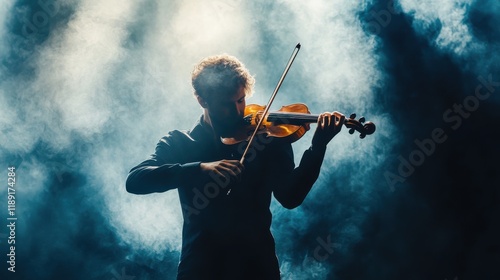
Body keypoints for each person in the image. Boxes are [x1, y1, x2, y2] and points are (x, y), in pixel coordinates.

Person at [126, 54, 345, 280]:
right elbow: (136, 180)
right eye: (226, 105)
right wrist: (200, 169)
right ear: (202, 100)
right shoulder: (180, 142)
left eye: (241, 100)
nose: (238, 111)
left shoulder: (266, 137)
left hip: (258, 268)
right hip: (201, 268)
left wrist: (318, 147)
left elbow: (290, 197)